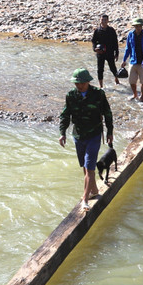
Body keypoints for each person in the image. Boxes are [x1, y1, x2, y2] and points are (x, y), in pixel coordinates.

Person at [59, 68, 113, 211]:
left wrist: (110, 132)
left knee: (89, 169)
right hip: (78, 136)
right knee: (85, 166)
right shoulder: (71, 95)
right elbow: (65, 115)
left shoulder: (98, 94)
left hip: (94, 135)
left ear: (88, 82)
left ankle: (85, 199)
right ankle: (94, 190)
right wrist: (62, 133)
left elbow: (107, 113)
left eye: (82, 83)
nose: (79, 86)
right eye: (77, 83)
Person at [121, 17, 143, 101]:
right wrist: (124, 60)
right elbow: (128, 48)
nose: (138, 27)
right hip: (133, 61)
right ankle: (135, 94)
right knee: (131, 81)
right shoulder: (130, 35)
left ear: (142, 26)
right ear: (134, 26)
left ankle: (142, 96)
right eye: (136, 26)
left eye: (139, 26)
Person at [91, 14, 120, 88]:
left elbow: (115, 42)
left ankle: (116, 79)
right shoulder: (97, 30)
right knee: (100, 70)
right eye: (102, 20)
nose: (103, 21)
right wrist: (95, 49)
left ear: (107, 21)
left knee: (112, 67)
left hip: (110, 52)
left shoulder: (111, 30)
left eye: (105, 20)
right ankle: (101, 86)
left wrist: (116, 53)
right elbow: (94, 41)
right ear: (100, 20)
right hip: (100, 53)